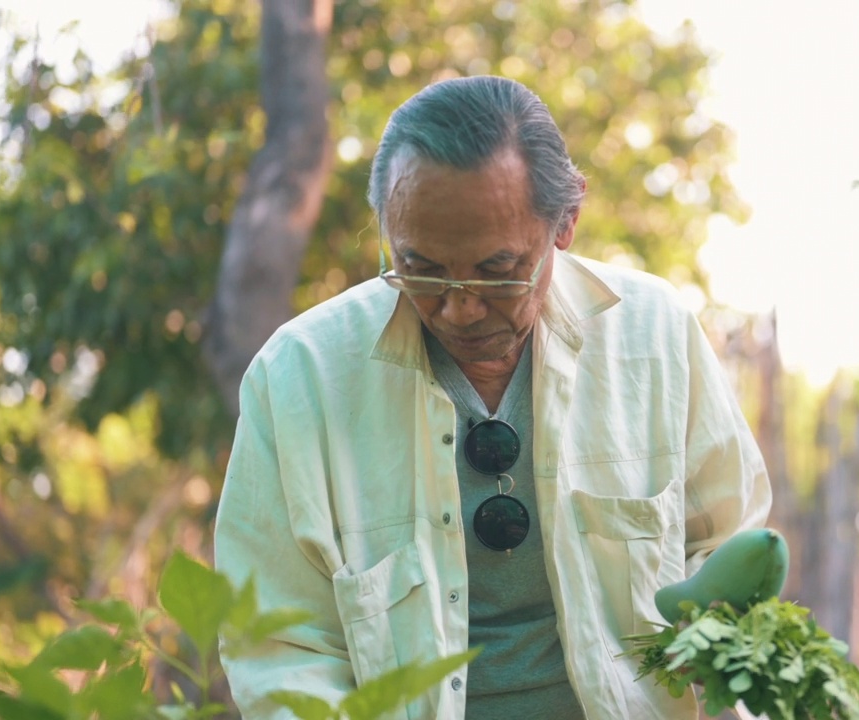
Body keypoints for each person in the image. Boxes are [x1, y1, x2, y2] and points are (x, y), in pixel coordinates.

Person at [213, 75, 771, 720]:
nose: (458, 307)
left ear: (567, 222)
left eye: (497, 271)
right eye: (420, 268)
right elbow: (281, 646)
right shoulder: (299, 376)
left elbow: (727, 544)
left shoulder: (656, 335)